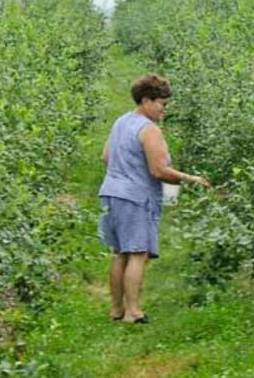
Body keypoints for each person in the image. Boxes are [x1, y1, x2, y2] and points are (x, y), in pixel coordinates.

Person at [98, 74, 211, 324]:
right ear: (147, 100)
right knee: (137, 253)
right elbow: (159, 171)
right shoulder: (149, 130)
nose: (164, 110)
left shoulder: (121, 121)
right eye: (162, 104)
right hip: (134, 197)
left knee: (119, 253)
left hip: (110, 192)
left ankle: (116, 309)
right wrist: (191, 179)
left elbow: (106, 157)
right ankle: (134, 311)